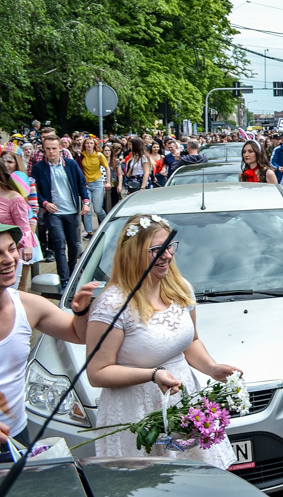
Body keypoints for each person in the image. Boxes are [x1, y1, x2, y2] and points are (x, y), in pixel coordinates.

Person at [86, 214, 240, 468]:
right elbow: (97, 372)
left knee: (195, 479)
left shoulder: (180, 288)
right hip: (136, 415)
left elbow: (190, 342)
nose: (167, 255)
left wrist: (212, 369)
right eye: (156, 250)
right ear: (132, 253)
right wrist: (152, 375)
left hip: (182, 402)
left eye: (170, 247)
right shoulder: (112, 305)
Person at [0, 223, 98, 459]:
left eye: (11, 249)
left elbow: (77, 334)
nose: (9, 260)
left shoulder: (27, 305)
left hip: (16, 435)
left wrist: (81, 312)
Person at [31, 135, 90, 292]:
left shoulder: (70, 164)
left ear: (60, 149)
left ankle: (72, 275)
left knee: (74, 245)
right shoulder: (39, 168)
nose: (51, 151)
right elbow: (34, 191)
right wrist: (45, 203)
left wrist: (85, 201)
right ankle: (64, 280)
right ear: (44, 150)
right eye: (48, 149)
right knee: (59, 243)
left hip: (71, 210)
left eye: (54, 148)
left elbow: (81, 183)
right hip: (53, 212)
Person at [79, 136, 110, 239]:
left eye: (91, 143)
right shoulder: (82, 155)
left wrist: (107, 182)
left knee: (98, 209)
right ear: (84, 144)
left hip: (97, 183)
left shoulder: (99, 155)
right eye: (87, 143)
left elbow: (107, 168)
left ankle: (107, 224)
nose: (89, 145)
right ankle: (89, 231)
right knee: (87, 209)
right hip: (86, 184)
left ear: (94, 145)